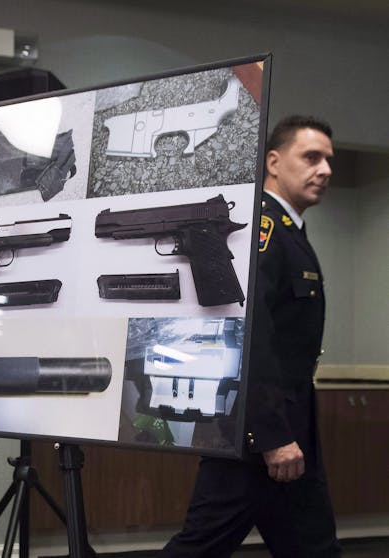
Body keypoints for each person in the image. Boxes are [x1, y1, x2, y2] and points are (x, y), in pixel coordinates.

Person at [158, 115, 341, 557]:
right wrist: (271, 435)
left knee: (313, 548)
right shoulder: (267, 231)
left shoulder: (290, 232)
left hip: (286, 426)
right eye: (312, 157)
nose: (326, 170)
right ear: (274, 162)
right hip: (258, 434)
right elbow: (248, 334)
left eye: (329, 161)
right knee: (200, 547)